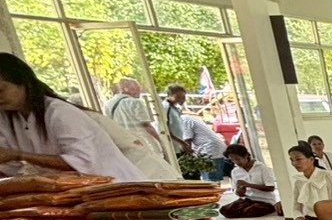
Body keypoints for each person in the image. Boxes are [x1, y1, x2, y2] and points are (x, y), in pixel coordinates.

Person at [0, 52, 144, 180]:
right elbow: (10, 166)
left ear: (24, 83)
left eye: (1, 89)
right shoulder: (7, 119)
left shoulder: (59, 112)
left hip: (116, 185)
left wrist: (20, 155)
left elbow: (83, 161)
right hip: (79, 193)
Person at [286, 141, 332, 220]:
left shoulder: (328, 176)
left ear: (311, 159)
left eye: (298, 159)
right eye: (292, 160)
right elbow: (296, 209)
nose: (295, 163)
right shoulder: (298, 181)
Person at [220, 143, 280, 217]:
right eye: (232, 160)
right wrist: (240, 191)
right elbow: (238, 193)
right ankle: (244, 211)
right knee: (224, 210)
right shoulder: (235, 171)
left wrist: (248, 185)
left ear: (246, 156)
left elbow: (271, 188)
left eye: (237, 159)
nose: (236, 162)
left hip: (265, 201)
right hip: (247, 201)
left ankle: (266, 209)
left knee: (252, 210)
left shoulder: (261, 168)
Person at [105, 77, 162, 152]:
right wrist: (161, 142)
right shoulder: (136, 102)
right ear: (127, 89)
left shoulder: (108, 104)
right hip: (143, 142)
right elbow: (147, 126)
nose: (139, 91)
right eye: (137, 88)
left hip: (125, 145)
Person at [177, 111, 229, 180]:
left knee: (211, 181)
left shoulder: (184, 120)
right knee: (212, 179)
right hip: (213, 149)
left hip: (210, 149)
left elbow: (187, 142)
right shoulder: (188, 119)